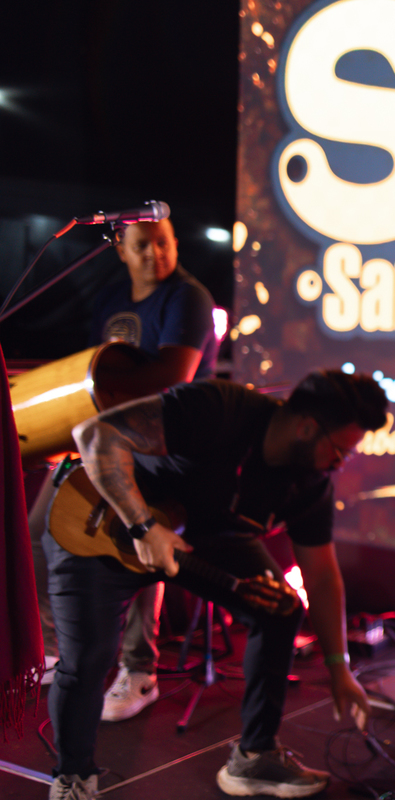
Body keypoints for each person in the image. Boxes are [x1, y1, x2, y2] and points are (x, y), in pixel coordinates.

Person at [43, 369, 387, 800]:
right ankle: (74, 777)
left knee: (279, 607)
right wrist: (143, 525)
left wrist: (339, 668)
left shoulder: (309, 484)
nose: (340, 463)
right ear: (306, 427)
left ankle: (255, 757)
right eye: (339, 450)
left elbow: (321, 576)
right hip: (108, 521)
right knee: (88, 658)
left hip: (199, 537)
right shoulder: (221, 409)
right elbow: (95, 434)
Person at [91, 217, 219, 721]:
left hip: (173, 446)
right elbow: (95, 365)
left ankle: (139, 670)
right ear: (121, 250)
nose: (154, 253)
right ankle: (59, 648)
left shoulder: (188, 297)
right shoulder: (109, 298)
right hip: (117, 436)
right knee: (42, 526)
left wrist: (100, 396)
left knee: (141, 536)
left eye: (163, 243)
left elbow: (172, 375)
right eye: (142, 245)